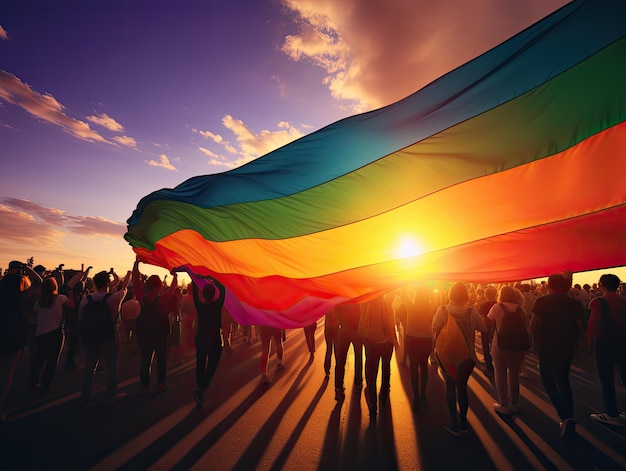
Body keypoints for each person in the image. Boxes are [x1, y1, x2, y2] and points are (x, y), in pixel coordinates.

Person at [530, 272, 585, 439]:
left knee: (548, 381)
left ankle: (565, 416)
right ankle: (568, 416)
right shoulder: (573, 303)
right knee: (563, 380)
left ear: (548, 285)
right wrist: (580, 346)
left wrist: (533, 344)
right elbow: (580, 326)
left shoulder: (541, 301)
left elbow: (533, 325)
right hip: (566, 345)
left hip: (546, 346)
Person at [433, 282, 486, 437]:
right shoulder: (472, 312)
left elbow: (434, 328)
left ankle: (453, 422)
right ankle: (463, 422)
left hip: (448, 357)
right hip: (467, 357)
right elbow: (483, 328)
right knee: (462, 387)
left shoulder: (442, 310)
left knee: (450, 387)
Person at [78, 268, 131, 405]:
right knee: (111, 366)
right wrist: (129, 274)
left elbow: (80, 319)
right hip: (110, 335)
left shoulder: (86, 299)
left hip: (90, 336)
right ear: (108, 282)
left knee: (89, 366)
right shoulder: (114, 297)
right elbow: (124, 287)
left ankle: (87, 394)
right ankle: (112, 393)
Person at [0, 261, 41, 421]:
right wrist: (27, 269)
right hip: (14, 336)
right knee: (5, 372)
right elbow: (40, 283)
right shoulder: (24, 297)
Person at [133, 258, 178, 394]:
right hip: (160, 334)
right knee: (161, 360)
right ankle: (160, 384)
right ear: (160, 286)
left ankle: (145, 386)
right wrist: (175, 276)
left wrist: (136, 264)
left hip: (145, 334)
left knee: (145, 360)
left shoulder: (142, 298)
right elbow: (173, 288)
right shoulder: (162, 299)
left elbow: (135, 281)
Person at [586, 273, 626, 426]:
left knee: (607, 379)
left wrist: (588, 344)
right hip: (623, 342)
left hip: (604, 344)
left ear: (601, 284)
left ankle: (612, 413)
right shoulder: (624, 300)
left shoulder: (597, 302)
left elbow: (593, 325)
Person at [29, 276, 76, 392]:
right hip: (55, 333)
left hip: (40, 333)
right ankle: (46, 385)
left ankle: (33, 381)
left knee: (40, 358)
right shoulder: (60, 298)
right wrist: (70, 294)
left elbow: (34, 315)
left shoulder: (39, 302)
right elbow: (71, 306)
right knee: (52, 361)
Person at [487, 285, 529, 415]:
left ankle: (503, 403)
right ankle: (514, 403)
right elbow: (526, 325)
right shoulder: (520, 309)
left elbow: (488, 321)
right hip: (518, 346)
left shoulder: (497, 307)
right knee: (514, 375)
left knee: (500, 374)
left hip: (500, 345)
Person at [361, 294, 399, 421]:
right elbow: (390, 326)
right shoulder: (387, 306)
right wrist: (395, 341)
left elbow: (363, 323)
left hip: (371, 342)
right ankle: (384, 394)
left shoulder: (367, 305)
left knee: (371, 373)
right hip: (386, 344)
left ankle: (373, 404)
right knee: (386, 367)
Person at [191, 277, 225, 407]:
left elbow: (194, 289)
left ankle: (200, 387)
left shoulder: (200, 306)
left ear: (203, 294)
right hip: (214, 338)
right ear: (214, 294)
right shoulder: (216, 306)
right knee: (213, 363)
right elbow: (223, 289)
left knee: (200, 362)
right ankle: (201, 388)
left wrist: (197, 277)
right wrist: (214, 277)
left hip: (200, 337)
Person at [404, 286, 434, 409]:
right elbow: (441, 299)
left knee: (414, 367)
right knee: (424, 366)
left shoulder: (410, 307)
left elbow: (403, 295)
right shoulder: (431, 307)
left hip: (411, 338)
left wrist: (404, 283)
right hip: (426, 339)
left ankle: (416, 396)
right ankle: (423, 394)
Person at [333, 302, 363, 401]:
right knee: (358, 357)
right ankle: (358, 384)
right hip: (357, 330)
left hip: (344, 330)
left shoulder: (342, 295)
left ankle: (338, 389)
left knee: (340, 360)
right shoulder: (359, 295)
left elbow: (336, 309)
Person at [478, 286, 497, 375]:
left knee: (486, 348)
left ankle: (489, 368)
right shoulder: (497, 304)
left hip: (485, 328)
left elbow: (480, 317)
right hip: (496, 328)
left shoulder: (483, 305)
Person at [323, 308, 339, 377]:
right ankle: (338, 368)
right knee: (336, 349)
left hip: (328, 328)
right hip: (335, 328)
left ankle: (327, 369)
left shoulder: (326, 305)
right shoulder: (337, 304)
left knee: (329, 349)